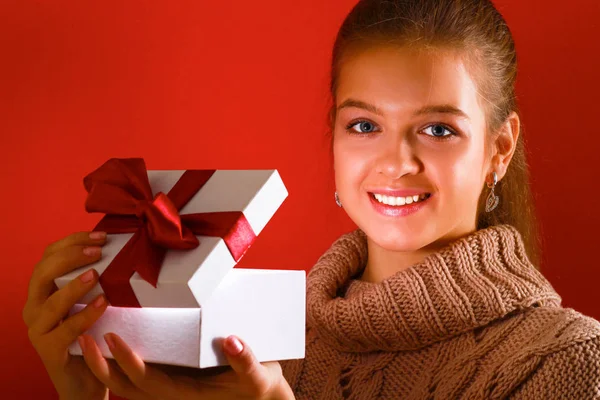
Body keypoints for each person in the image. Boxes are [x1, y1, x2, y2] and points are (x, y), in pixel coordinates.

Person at [23, 0, 600, 399]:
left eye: (439, 129)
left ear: (499, 148)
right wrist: (84, 392)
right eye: (365, 126)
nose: (396, 162)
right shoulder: (255, 335)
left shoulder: (564, 363)